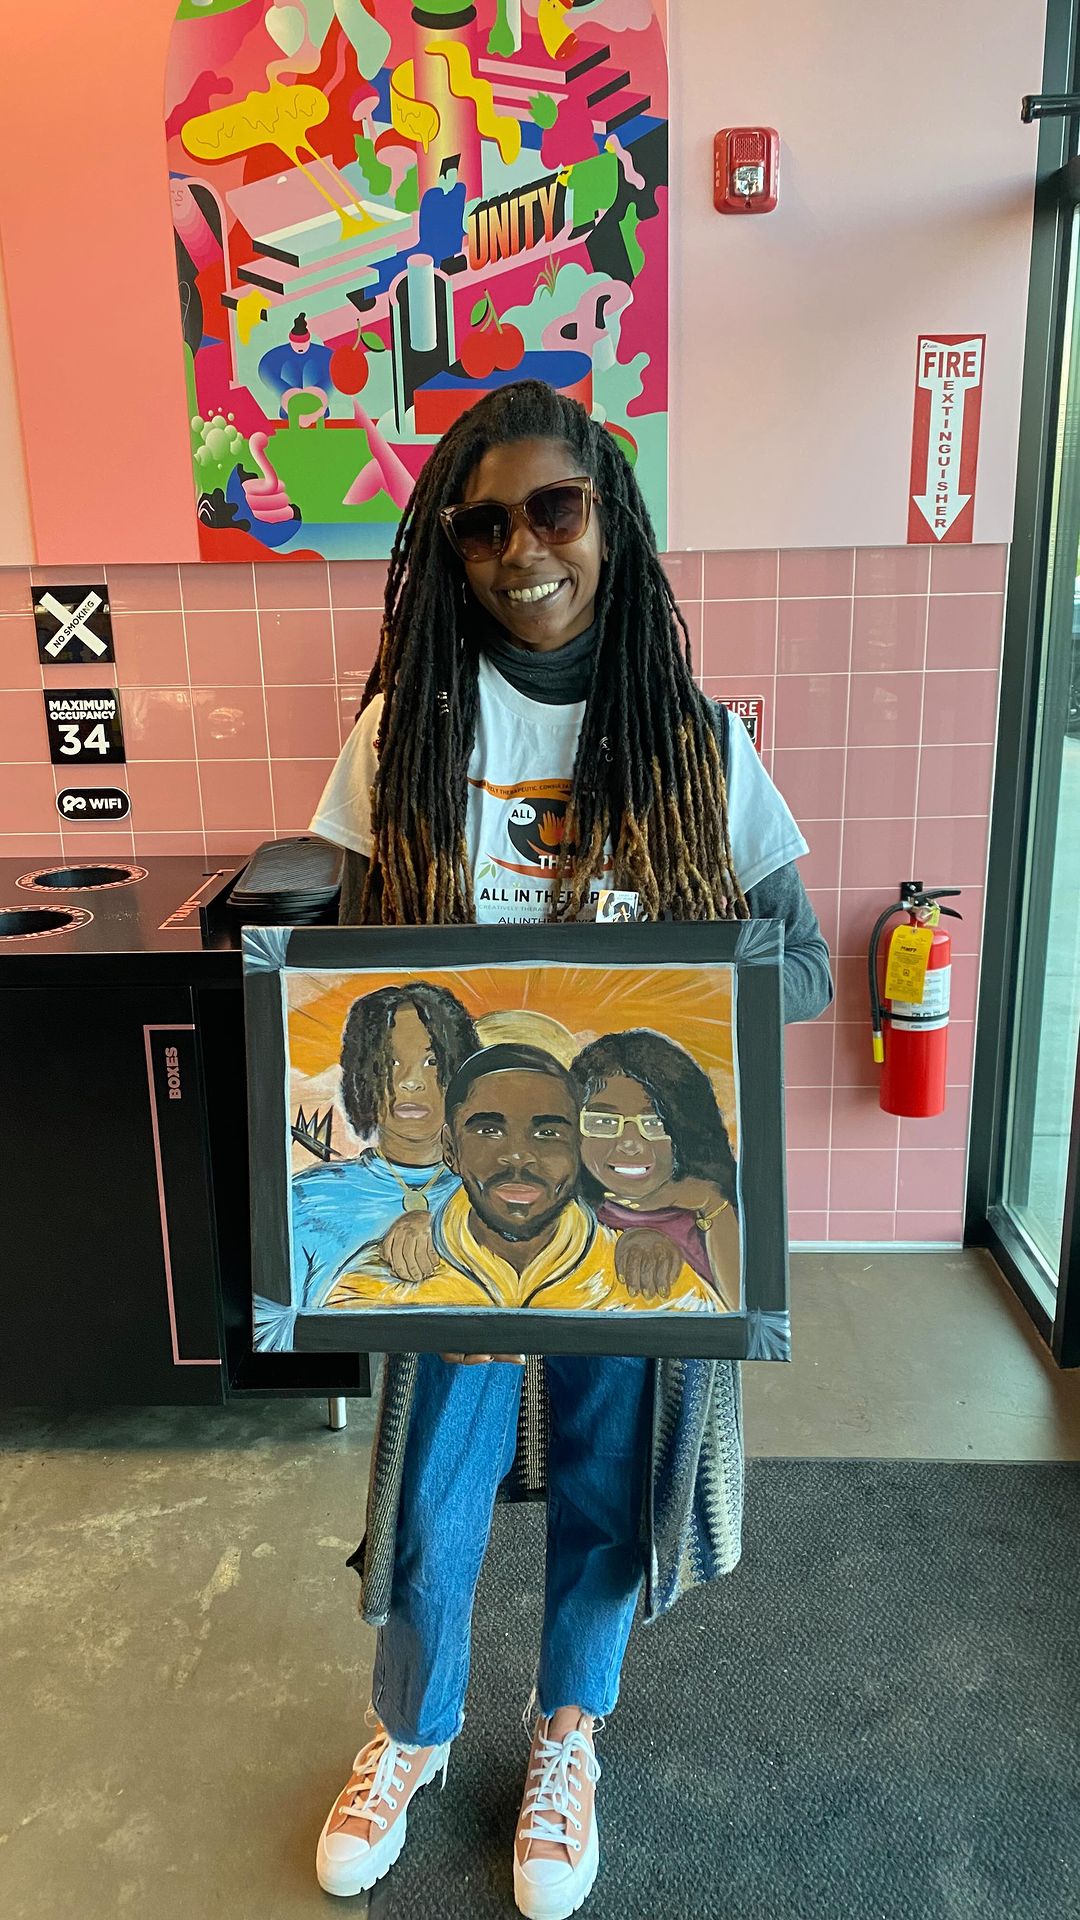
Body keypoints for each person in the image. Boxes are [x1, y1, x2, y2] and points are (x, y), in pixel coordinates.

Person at [309, 378, 832, 1914]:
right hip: (451, 1203)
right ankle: (412, 1733)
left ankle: (567, 1733)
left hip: (628, 1198)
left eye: (556, 509)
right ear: (449, 552)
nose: (522, 549)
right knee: (432, 1488)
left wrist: (686, 980)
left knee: (611, 1466)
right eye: (482, 526)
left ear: (613, 521)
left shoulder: (693, 744)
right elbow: (349, 987)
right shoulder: (399, 741)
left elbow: (804, 966)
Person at [322, 1042, 715, 1313]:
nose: (518, 1156)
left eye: (548, 1133)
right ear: (450, 1149)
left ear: (579, 1148)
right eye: (489, 1130)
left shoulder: (651, 1283)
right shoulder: (377, 1283)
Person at [288, 982, 477, 1315]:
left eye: (432, 1061)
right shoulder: (303, 1201)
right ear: (362, 1077)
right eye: (389, 1063)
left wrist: (446, 1228)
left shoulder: (493, 1197)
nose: (410, 1081)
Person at [573, 1028, 742, 1311]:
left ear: (686, 1130)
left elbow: (748, 1314)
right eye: (603, 1122)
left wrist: (711, 1203)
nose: (629, 1143)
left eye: (655, 1123)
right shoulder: (568, 1211)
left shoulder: (719, 1206)